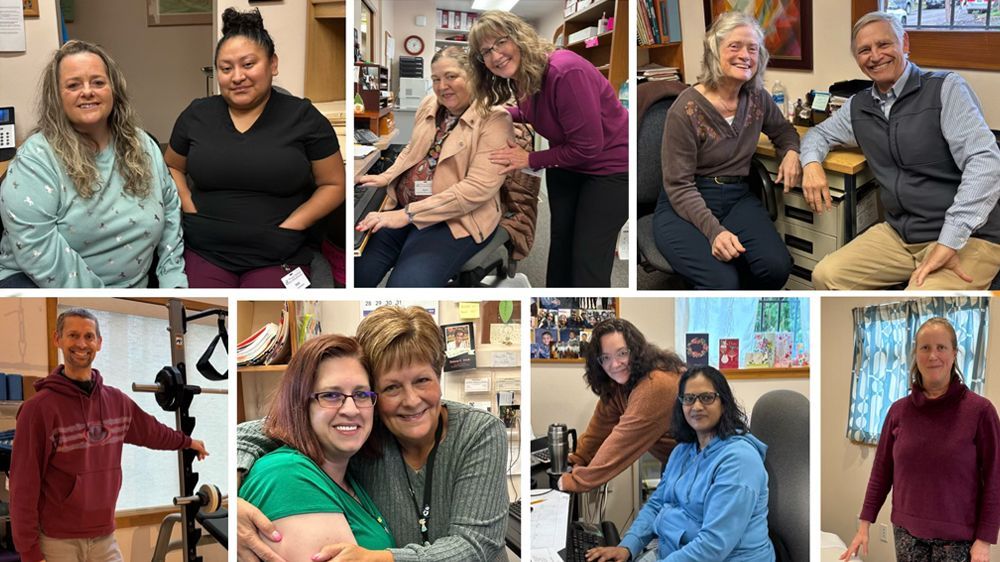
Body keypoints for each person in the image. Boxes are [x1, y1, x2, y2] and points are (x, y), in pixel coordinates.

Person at [236, 306, 508, 562]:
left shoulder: (478, 432)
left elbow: (476, 544)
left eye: (422, 380)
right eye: (391, 388)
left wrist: (383, 558)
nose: (412, 400)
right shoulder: (366, 424)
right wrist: (228, 499)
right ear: (375, 394)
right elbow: (275, 427)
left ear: (438, 377)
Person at [800, 11, 1000, 290]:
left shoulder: (945, 89)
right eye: (864, 50)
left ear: (904, 43)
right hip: (901, 235)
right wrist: (811, 165)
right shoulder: (858, 106)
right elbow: (818, 133)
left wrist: (950, 239)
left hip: (968, 236)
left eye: (884, 44)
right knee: (826, 276)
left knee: (918, 301)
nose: (875, 56)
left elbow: (985, 162)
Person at [165, 8, 345, 288]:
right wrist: (188, 203)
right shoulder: (196, 114)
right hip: (205, 250)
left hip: (278, 254)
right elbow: (172, 165)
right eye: (226, 68)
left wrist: (296, 223)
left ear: (273, 64)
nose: (237, 77)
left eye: (248, 64)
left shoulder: (305, 118)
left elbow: (334, 184)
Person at [10, 309, 209, 562]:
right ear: (57, 339)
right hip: (57, 541)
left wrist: (187, 441)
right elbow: (23, 487)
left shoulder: (116, 402)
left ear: (99, 343)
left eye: (89, 336)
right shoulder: (37, 410)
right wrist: (30, 553)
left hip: (104, 537)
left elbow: (152, 432)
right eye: (73, 335)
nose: (81, 344)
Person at [0, 40, 186, 288]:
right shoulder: (36, 160)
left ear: (113, 90)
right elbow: (39, 252)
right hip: (38, 283)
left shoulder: (143, 144)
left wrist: (172, 280)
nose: (87, 91)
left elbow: (171, 209)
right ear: (56, 96)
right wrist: (108, 302)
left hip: (132, 291)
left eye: (98, 82)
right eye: (73, 85)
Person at [468, 11, 628, 288]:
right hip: (567, 166)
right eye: (485, 52)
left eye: (500, 42)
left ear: (519, 38)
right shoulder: (523, 75)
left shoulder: (565, 71)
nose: (495, 56)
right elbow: (543, 110)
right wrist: (506, 113)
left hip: (610, 171)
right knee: (562, 246)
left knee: (587, 258)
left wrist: (528, 158)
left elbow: (589, 146)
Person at [652, 11, 799, 290]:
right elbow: (679, 185)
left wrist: (791, 152)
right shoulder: (685, 110)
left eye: (752, 48)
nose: (745, 55)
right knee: (720, 280)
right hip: (685, 202)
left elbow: (785, 131)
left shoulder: (757, 98)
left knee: (776, 268)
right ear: (713, 51)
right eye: (735, 46)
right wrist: (714, 232)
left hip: (736, 197)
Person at [840, 317, 1000, 562]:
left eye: (941, 347)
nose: (932, 355)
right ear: (915, 353)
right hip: (907, 534)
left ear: (954, 353)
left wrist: (984, 540)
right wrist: (864, 524)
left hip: (959, 540)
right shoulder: (898, 411)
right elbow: (881, 472)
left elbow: (994, 478)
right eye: (925, 347)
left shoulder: (980, 411)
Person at [354, 47, 513, 287]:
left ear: (473, 76)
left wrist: (406, 215)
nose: (442, 86)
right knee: (358, 273)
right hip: (406, 206)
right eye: (436, 79)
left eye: (451, 76)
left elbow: (477, 189)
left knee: (404, 287)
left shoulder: (495, 119)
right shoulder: (430, 104)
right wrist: (386, 178)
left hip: (455, 219)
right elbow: (412, 148)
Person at [587, 366, 774, 562]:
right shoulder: (682, 451)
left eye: (707, 397)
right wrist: (627, 547)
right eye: (689, 398)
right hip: (674, 552)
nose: (697, 406)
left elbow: (713, 546)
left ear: (724, 403)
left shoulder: (739, 461)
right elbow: (657, 504)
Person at [238, 334, 394, 559]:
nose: (351, 410)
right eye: (331, 395)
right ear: (300, 403)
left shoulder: (347, 478)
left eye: (361, 394)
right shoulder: (287, 474)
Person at [558, 318, 684, 493]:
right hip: (678, 465)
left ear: (636, 351)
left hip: (709, 467)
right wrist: (577, 458)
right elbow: (599, 429)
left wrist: (578, 481)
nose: (615, 364)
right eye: (606, 357)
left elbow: (622, 442)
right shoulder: (618, 385)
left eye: (622, 353)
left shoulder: (656, 384)